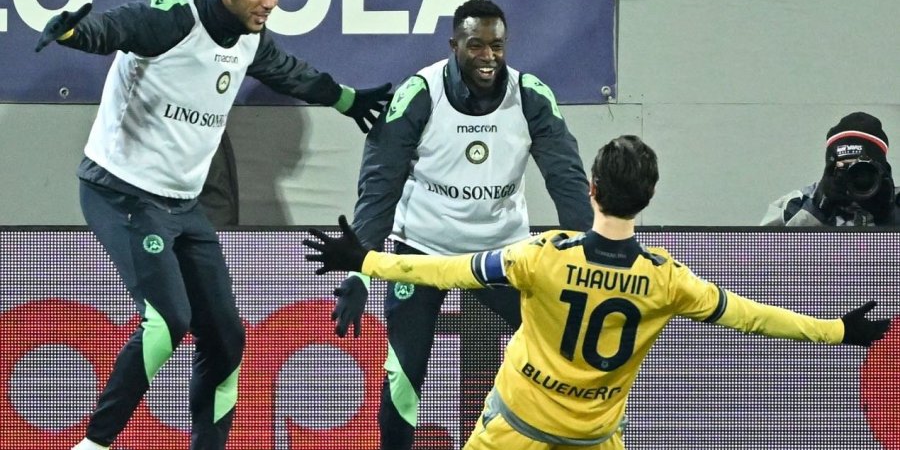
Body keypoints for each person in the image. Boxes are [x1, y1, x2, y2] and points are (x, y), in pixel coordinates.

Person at [304, 135, 892, 450]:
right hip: (593, 439)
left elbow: (444, 270)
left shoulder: (540, 256)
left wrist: (365, 261)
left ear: (590, 189)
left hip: (514, 431)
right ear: (651, 195)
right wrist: (839, 331)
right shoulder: (667, 279)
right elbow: (752, 317)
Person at [33, 0, 391, 448]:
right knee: (168, 319)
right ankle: (93, 444)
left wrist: (349, 100)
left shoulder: (250, 35)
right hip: (122, 193)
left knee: (227, 339)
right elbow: (114, 28)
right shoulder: (173, 16)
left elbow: (293, 73)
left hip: (182, 205)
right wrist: (74, 32)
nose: (271, 2)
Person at [329, 0, 593, 448]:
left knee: (563, 354)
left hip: (502, 254)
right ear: (454, 45)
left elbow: (567, 181)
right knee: (404, 373)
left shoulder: (530, 95)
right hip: (423, 250)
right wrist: (362, 271)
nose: (488, 56)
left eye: (497, 45)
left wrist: (594, 259)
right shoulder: (419, 94)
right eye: (476, 45)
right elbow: (380, 185)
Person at [761, 112, 900, 226]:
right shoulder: (796, 203)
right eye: (845, 168)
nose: (855, 177)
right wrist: (818, 209)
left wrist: (889, 215)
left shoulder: (896, 201)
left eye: (864, 171)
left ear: (883, 170)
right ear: (830, 168)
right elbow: (762, 255)